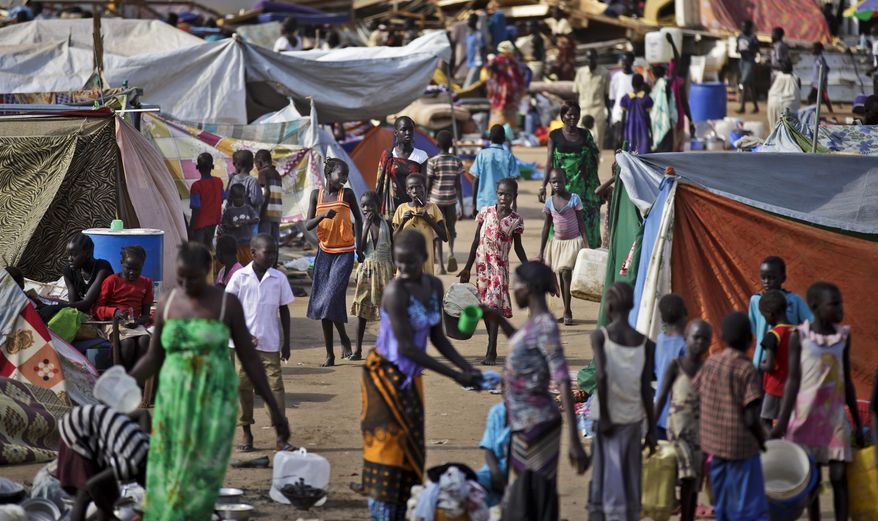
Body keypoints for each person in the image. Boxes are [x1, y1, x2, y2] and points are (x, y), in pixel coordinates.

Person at [130, 242, 290, 520]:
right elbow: (154, 357)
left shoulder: (226, 304)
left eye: (192, 277)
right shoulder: (169, 303)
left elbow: (250, 359)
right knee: (169, 470)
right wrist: (124, 381)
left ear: (207, 271)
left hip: (213, 405)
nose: (185, 283)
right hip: (174, 403)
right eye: (180, 276)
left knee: (201, 477)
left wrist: (276, 413)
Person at [359, 230, 482, 520]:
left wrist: (467, 367)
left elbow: (438, 337)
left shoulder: (435, 286)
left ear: (425, 259)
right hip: (384, 378)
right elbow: (406, 348)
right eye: (399, 265)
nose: (403, 271)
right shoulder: (395, 291)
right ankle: (382, 511)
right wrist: (455, 374)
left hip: (411, 378)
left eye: (410, 264)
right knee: (386, 450)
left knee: (412, 445)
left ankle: (405, 509)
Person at [482, 261, 588, 520]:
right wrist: (499, 321)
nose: (512, 289)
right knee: (528, 494)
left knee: (535, 496)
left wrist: (574, 439)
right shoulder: (536, 324)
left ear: (528, 288)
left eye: (515, 284)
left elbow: (562, 378)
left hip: (538, 425)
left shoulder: (545, 326)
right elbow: (525, 345)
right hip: (524, 422)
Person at [770, 282, 863, 521]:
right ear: (814, 306)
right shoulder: (800, 336)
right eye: (834, 304)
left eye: (840, 302)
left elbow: (847, 380)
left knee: (838, 476)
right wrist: (780, 423)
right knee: (811, 481)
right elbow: (793, 381)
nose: (840, 308)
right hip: (805, 418)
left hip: (835, 419)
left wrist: (856, 418)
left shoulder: (843, 336)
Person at [588, 282, 656, 521]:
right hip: (633, 419)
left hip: (605, 419)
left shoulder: (600, 337)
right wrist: (653, 430)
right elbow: (647, 389)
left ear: (611, 305)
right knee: (629, 476)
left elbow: (602, 375)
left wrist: (605, 415)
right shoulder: (646, 343)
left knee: (602, 476)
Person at [224, 234, 293, 453]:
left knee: (275, 388)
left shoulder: (278, 279)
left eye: (274, 252)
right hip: (242, 346)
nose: (272, 256)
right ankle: (246, 430)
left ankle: (280, 435)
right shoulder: (239, 278)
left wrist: (287, 341)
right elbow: (228, 309)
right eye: (268, 252)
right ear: (253, 254)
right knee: (242, 387)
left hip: (270, 343)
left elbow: (284, 310)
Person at [696, 312, 768, 521]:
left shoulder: (711, 363)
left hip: (714, 447)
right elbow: (752, 416)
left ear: (722, 338)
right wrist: (762, 441)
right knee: (747, 502)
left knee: (722, 499)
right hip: (742, 449)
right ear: (750, 340)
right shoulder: (747, 369)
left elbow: (696, 394)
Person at [458, 178, 527, 365]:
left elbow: (518, 247)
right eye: (501, 193)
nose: (504, 198)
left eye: (508, 195)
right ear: (496, 193)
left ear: (514, 197)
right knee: (486, 309)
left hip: (499, 268)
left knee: (493, 308)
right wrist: (466, 267)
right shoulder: (485, 213)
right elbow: (475, 241)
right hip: (481, 266)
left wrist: (527, 266)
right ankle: (492, 344)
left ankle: (491, 351)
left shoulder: (515, 221)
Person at [305, 158, 364, 366]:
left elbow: (359, 219)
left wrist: (361, 247)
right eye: (342, 175)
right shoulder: (316, 195)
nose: (345, 179)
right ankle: (331, 353)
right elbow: (308, 225)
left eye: (346, 175)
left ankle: (344, 341)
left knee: (329, 300)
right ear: (329, 174)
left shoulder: (346, 194)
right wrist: (322, 215)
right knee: (323, 303)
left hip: (345, 253)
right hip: (324, 253)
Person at [654, 319, 712, 521]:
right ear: (686, 339)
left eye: (705, 339)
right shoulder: (676, 366)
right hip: (675, 432)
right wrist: (651, 428)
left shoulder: (708, 369)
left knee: (693, 482)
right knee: (676, 476)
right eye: (696, 338)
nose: (700, 343)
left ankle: (687, 516)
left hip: (699, 435)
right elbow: (661, 396)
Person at [57, 405, 150, 521]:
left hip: (94, 428)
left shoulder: (148, 446)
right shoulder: (133, 462)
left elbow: (144, 414)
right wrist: (110, 512)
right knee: (84, 494)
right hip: (77, 430)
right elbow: (92, 485)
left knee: (109, 492)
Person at [541, 101, 601, 249]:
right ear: (563, 116)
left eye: (576, 114)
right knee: (560, 220)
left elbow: (593, 162)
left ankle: (585, 253)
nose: (573, 117)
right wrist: (543, 185)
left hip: (584, 187)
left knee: (584, 220)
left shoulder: (585, 134)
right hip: (562, 186)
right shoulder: (554, 135)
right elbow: (549, 162)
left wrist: (598, 186)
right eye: (569, 114)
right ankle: (559, 254)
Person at [538, 169, 588, 326]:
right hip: (557, 244)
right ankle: (566, 309)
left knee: (566, 273)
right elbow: (546, 226)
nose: (557, 184)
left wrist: (587, 244)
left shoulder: (574, 199)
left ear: (566, 181)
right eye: (553, 182)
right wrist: (541, 250)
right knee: (561, 275)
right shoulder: (549, 202)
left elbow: (581, 223)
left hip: (573, 242)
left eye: (559, 181)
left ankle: (568, 311)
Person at [350, 191, 394, 362]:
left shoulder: (386, 223)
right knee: (362, 309)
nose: (366, 209)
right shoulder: (361, 224)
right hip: (367, 269)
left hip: (385, 269)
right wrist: (366, 226)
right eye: (363, 206)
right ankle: (358, 349)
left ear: (378, 205)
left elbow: (393, 246)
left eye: (370, 205)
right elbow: (359, 251)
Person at [93, 246, 153, 371]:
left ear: (143, 266)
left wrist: (138, 321)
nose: (132, 272)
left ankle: (136, 376)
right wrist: (114, 312)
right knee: (128, 343)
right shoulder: (111, 281)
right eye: (128, 268)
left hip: (134, 324)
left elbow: (146, 315)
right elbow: (96, 309)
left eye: (137, 269)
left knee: (144, 341)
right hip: (112, 322)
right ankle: (124, 376)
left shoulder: (146, 283)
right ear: (121, 263)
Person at [747, 256, 811, 370]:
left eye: (771, 278)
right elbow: (754, 329)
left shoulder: (793, 300)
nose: (766, 281)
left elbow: (810, 323)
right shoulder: (755, 300)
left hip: (787, 362)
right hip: (762, 360)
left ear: (783, 278)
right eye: (763, 277)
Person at [426, 130, 465, 274]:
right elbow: (459, 185)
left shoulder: (433, 162)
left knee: (437, 231)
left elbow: (428, 184)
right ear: (451, 145)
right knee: (451, 228)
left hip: (436, 201)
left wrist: (425, 201)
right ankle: (451, 252)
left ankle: (441, 264)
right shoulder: (457, 161)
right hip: (451, 201)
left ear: (436, 143)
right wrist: (460, 204)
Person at [391, 174, 447, 276]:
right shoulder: (401, 209)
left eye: (418, 187)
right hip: (406, 258)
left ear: (424, 189)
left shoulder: (432, 208)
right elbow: (395, 238)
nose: (415, 190)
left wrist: (429, 220)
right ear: (407, 191)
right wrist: (403, 221)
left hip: (426, 258)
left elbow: (445, 237)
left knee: (425, 286)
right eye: (411, 188)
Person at [375, 116, 429, 216]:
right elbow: (379, 183)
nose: (408, 133)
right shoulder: (387, 155)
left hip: (414, 206)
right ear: (396, 133)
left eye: (411, 129)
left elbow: (424, 184)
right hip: (391, 207)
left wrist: (423, 206)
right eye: (404, 130)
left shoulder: (421, 155)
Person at [757, 290, 794, 430]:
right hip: (793, 387)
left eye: (763, 315)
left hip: (775, 387)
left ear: (770, 314)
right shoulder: (798, 331)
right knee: (788, 422)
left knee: (765, 420)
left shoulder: (773, 335)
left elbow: (770, 366)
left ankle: (772, 446)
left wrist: (761, 365)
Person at [653, 293, 688, 440]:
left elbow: (657, 371)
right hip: (679, 412)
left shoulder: (661, 340)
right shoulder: (686, 346)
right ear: (685, 314)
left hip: (660, 412)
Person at [470, 124, 520, 214]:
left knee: (485, 227)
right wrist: (514, 204)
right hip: (504, 202)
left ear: (489, 138)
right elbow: (513, 183)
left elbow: (475, 180)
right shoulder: (509, 156)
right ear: (504, 139)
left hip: (484, 202)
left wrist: (474, 203)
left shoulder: (482, 155)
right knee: (501, 227)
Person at [63, 233, 113, 314]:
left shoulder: (102, 268)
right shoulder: (69, 271)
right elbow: (73, 303)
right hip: (88, 313)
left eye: (74, 255)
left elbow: (87, 303)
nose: (69, 259)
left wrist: (56, 307)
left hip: (107, 312)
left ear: (88, 253)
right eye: (68, 255)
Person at [474, 400, 510, 508]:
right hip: (495, 471)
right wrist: (496, 473)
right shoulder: (497, 412)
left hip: (523, 477)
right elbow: (489, 450)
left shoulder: (537, 415)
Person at [573, 50, 609, 149]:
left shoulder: (604, 73)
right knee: (580, 139)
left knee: (597, 141)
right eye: (588, 58)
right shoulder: (581, 73)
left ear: (596, 59)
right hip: (583, 109)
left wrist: (608, 113)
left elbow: (606, 95)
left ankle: (595, 162)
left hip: (597, 110)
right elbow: (576, 93)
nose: (590, 61)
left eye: (592, 58)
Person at [487, 41, 526, 129]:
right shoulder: (498, 62)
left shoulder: (511, 63)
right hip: (502, 96)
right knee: (502, 120)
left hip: (506, 97)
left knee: (504, 121)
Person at [188, 152, 224, 248]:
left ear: (197, 167)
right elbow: (222, 198)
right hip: (214, 221)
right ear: (212, 166)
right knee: (209, 248)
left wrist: (191, 228)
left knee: (198, 250)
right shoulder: (218, 182)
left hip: (200, 224)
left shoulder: (196, 186)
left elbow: (196, 209)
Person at [666, 33, 695, 151]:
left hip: (677, 122)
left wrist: (691, 121)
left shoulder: (677, 82)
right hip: (670, 123)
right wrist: (672, 42)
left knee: (676, 149)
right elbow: (676, 59)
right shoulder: (668, 81)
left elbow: (684, 102)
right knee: (673, 150)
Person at [220, 184, 260, 266]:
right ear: (232, 198)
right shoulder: (229, 211)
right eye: (237, 197)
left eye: (241, 197)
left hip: (247, 243)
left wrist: (247, 221)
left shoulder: (248, 208)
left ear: (244, 197)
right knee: (236, 265)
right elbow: (224, 225)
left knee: (249, 265)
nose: (239, 200)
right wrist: (233, 226)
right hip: (235, 245)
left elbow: (257, 219)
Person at [620, 73, 654, 155]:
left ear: (631, 83)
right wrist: (651, 133)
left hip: (629, 128)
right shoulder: (646, 98)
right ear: (642, 84)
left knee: (629, 153)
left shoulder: (626, 98)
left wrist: (621, 132)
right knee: (644, 153)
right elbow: (648, 118)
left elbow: (623, 117)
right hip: (643, 128)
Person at [254, 149, 283, 243]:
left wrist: (260, 212)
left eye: (256, 164)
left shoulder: (262, 173)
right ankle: (275, 258)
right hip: (277, 213)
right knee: (274, 241)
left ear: (260, 162)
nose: (256, 167)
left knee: (264, 241)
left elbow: (265, 192)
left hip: (266, 212)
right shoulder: (277, 174)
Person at [228, 150, 264, 223]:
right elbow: (256, 200)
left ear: (238, 165)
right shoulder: (253, 181)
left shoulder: (233, 179)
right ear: (252, 165)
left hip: (235, 218)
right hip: (250, 220)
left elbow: (229, 197)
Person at [609, 52, 635, 148]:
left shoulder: (635, 78)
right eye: (623, 61)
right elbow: (612, 99)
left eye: (627, 61)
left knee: (629, 144)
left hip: (632, 117)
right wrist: (611, 116)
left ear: (632, 62)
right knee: (617, 142)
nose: (625, 63)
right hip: (618, 116)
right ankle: (617, 162)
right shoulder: (616, 77)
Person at [650, 64, 677, 152]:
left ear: (653, 75)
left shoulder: (663, 85)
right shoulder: (660, 86)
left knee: (660, 149)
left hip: (660, 120)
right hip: (664, 120)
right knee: (665, 151)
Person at [767, 59, 801, 127]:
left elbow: (771, 89)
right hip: (789, 106)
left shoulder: (776, 77)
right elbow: (799, 91)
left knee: (775, 128)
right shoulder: (796, 78)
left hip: (773, 103)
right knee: (789, 130)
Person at [736, 20, 759, 114]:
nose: (743, 28)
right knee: (750, 85)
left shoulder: (753, 37)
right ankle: (756, 107)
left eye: (745, 26)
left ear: (749, 28)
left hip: (750, 61)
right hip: (742, 61)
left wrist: (749, 50)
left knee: (744, 82)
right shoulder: (739, 37)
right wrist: (739, 50)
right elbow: (736, 48)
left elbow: (757, 49)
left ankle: (742, 107)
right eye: (742, 26)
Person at [808, 42, 834, 113]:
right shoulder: (817, 59)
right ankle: (831, 113)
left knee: (811, 98)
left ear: (818, 50)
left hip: (819, 84)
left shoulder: (820, 59)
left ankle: (808, 112)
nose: (812, 50)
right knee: (824, 99)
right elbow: (827, 69)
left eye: (813, 49)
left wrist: (821, 82)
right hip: (817, 83)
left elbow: (824, 70)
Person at [464, 13, 486, 88]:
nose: (468, 22)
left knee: (468, 86)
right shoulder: (468, 34)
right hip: (469, 63)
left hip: (477, 63)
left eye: (470, 20)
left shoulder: (479, 35)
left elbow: (483, 49)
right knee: (474, 85)